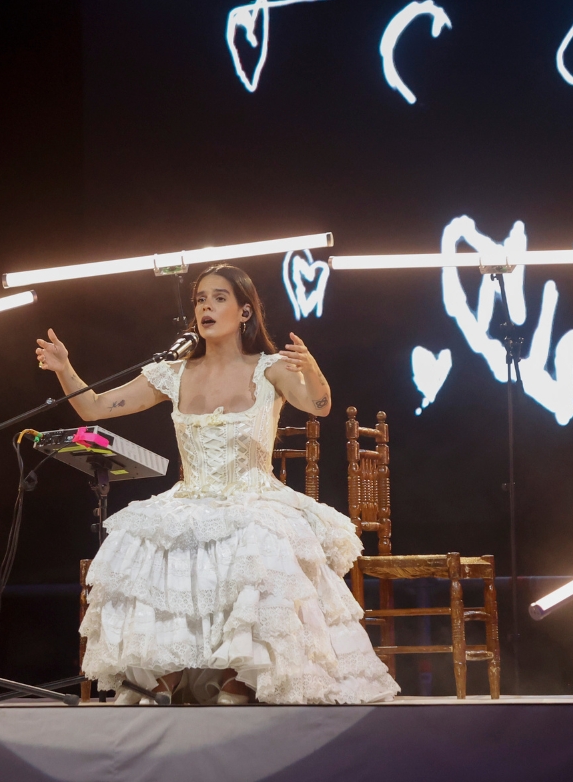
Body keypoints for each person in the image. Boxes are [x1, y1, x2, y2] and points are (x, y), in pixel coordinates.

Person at [35, 264, 399, 704]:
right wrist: (64, 368)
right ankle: (168, 672)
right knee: (147, 540)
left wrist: (312, 370)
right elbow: (93, 409)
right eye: (201, 299)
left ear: (245, 312)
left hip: (253, 495)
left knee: (254, 539)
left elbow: (318, 406)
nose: (206, 306)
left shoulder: (269, 368)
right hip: (192, 496)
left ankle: (239, 673)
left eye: (219, 298)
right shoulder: (172, 372)